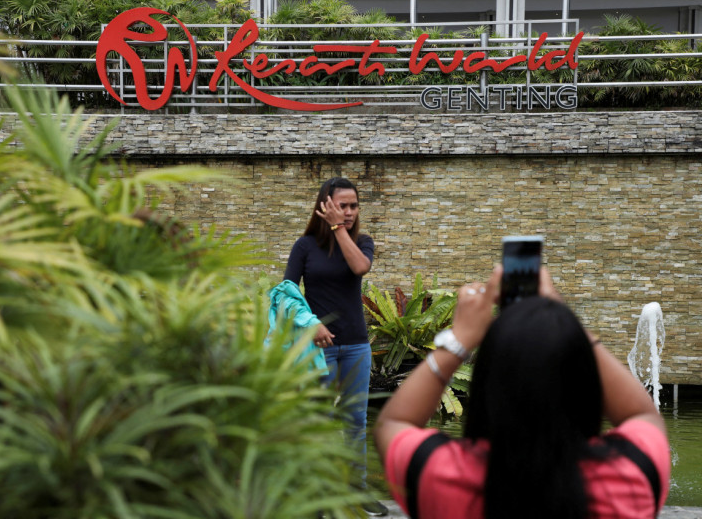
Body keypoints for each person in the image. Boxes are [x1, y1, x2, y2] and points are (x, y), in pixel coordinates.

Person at [375, 265, 670, 519]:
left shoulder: (441, 478)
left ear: (485, 386)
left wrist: (460, 339)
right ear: (584, 388)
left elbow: (393, 423)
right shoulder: (631, 480)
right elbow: (643, 415)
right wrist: (566, 322)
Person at [284, 177, 388, 516]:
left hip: (356, 345)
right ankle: (315, 494)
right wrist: (309, 322)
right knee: (318, 420)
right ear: (324, 205)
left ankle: (354, 491)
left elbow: (360, 268)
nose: (348, 212)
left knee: (355, 421)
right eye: (341, 206)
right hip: (318, 347)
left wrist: (340, 229)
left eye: (353, 206)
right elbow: (286, 292)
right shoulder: (304, 247)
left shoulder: (363, 242)